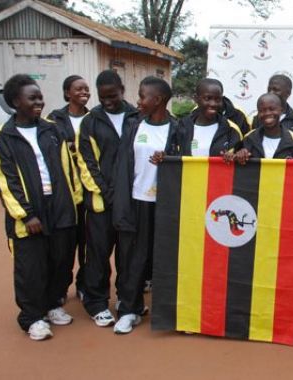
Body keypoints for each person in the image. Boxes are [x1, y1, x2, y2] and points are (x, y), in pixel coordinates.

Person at [0, 74, 81, 340]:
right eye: (32, 98)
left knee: (61, 260)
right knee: (31, 266)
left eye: (40, 97)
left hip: (60, 206)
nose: (39, 102)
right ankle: (32, 317)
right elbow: (5, 181)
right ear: (14, 102)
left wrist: (73, 201)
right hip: (29, 211)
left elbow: (68, 168)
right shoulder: (3, 137)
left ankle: (53, 304)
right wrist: (26, 214)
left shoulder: (52, 129)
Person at [111, 76, 178, 334]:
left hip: (166, 207)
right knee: (132, 259)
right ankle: (130, 309)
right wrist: (120, 202)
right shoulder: (133, 126)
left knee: (164, 260)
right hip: (137, 202)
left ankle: (167, 312)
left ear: (158, 100)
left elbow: (186, 163)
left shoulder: (179, 128)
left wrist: (169, 158)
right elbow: (122, 166)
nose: (138, 101)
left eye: (142, 96)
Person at [76, 69, 138, 327]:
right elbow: (86, 163)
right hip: (102, 203)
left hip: (131, 202)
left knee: (128, 255)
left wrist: (127, 194)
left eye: (112, 96)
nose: (107, 102)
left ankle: (127, 302)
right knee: (98, 255)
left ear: (122, 90)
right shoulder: (90, 121)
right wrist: (108, 192)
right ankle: (96, 302)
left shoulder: (137, 116)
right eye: (102, 98)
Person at [47, 75, 90, 302]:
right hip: (65, 192)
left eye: (86, 89)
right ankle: (61, 287)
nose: (84, 92)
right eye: (78, 89)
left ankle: (84, 284)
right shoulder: (53, 121)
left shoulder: (94, 118)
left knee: (87, 242)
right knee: (63, 244)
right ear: (67, 93)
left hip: (89, 189)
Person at [226, 93, 293, 163]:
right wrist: (238, 155)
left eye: (272, 109)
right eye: (262, 110)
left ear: (281, 111)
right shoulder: (249, 138)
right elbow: (233, 160)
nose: (267, 113)